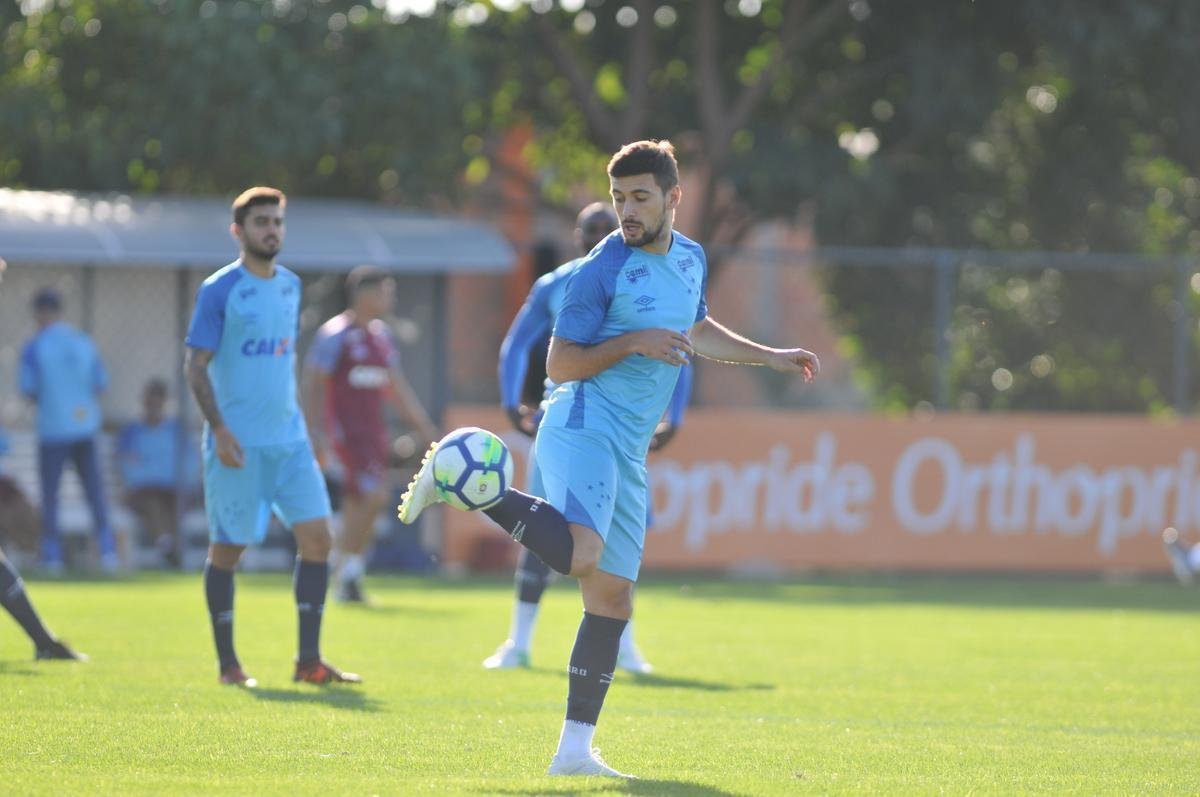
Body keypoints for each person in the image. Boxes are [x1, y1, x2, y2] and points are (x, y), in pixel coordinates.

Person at [399, 140, 819, 777]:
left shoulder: (691, 258)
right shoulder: (602, 267)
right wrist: (634, 342)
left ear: (673, 199)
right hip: (582, 421)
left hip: (629, 447)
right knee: (584, 553)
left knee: (613, 601)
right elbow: (560, 362)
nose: (626, 209)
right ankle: (466, 481)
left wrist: (772, 355)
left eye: (640, 197)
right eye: (619, 197)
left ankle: (573, 752)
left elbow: (698, 330)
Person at [484, 202, 691, 674]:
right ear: (577, 237)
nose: (604, 231)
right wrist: (509, 401)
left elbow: (684, 345)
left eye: (610, 224)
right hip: (570, 425)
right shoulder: (559, 284)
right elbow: (517, 345)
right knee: (548, 538)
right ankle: (518, 642)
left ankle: (626, 646)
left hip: (624, 428)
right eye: (592, 227)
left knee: (622, 541)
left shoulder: (652, 279)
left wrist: (673, 416)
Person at [184, 186, 360, 687]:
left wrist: (309, 429)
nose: (272, 230)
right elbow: (195, 367)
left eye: (277, 222)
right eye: (261, 222)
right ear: (238, 231)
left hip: (290, 443)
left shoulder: (290, 286)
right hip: (237, 446)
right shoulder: (219, 290)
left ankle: (309, 662)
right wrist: (219, 428)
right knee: (228, 551)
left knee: (319, 540)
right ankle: (228, 666)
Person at [304, 266, 438, 603]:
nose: (390, 298)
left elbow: (396, 388)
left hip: (373, 434)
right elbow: (314, 385)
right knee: (375, 496)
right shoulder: (336, 334)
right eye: (385, 291)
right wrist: (314, 433)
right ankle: (342, 567)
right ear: (365, 294)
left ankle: (347, 578)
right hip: (344, 436)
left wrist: (425, 430)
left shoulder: (381, 336)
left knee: (358, 505)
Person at [18, 286, 117, 573]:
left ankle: (52, 556)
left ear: (40, 312)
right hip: (85, 426)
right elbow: (101, 383)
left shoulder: (34, 346)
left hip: (52, 430)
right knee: (95, 493)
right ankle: (107, 552)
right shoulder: (83, 341)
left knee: (51, 494)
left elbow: (28, 389)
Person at [116, 378, 198, 569]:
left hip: (173, 490)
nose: (153, 407)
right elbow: (128, 467)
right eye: (149, 401)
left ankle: (167, 547)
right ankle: (169, 549)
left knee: (172, 505)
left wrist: (170, 479)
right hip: (143, 491)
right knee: (153, 504)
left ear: (164, 403)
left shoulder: (176, 431)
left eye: (157, 402)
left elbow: (190, 464)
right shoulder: (131, 432)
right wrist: (154, 477)